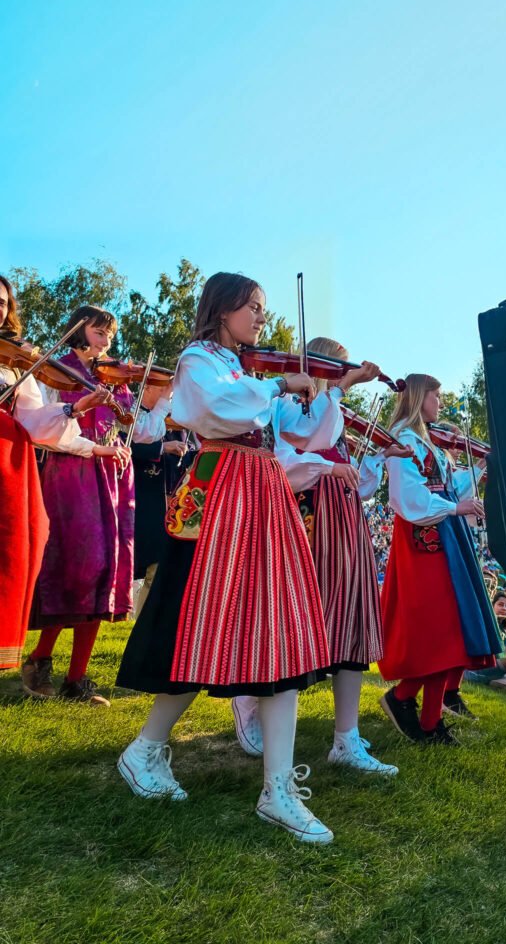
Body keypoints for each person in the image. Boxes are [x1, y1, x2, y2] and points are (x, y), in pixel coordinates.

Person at [116, 272, 335, 845]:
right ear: (224, 306)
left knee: (276, 627)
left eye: (263, 309)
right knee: (195, 623)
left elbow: (304, 434)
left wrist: (328, 389)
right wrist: (280, 384)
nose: (262, 317)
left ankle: (278, 787)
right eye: (254, 307)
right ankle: (147, 749)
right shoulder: (199, 360)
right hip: (220, 495)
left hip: (259, 494)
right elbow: (218, 409)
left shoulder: (244, 370)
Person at [232, 335, 410, 776]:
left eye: (339, 370)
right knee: (299, 618)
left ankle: (345, 739)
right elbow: (296, 455)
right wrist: (341, 387)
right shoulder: (286, 403)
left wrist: (374, 461)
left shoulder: (329, 405)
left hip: (345, 516)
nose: (335, 376)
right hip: (309, 516)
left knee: (351, 617)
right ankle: (251, 698)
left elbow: (361, 486)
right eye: (331, 368)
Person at [22, 306, 167, 705]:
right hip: (74, 470)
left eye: (110, 334)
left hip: (114, 473)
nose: (106, 340)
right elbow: (47, 427)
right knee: (78, 567)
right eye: (99, 331)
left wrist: (147, 397)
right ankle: (39, 659)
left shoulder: (113, 378)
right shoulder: (57, 369)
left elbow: (138, 431)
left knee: (107, 571)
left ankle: (78, 678)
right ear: (79, 329)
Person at [377, 374, 501, 744]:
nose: (440, 402)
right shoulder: (403, 438)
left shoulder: (424, 440)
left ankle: (427, 718)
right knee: (439, 630)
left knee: (449, 631)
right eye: (436, 394)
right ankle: (411, 707)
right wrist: (454, 507)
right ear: (420, 396)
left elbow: (447, 486)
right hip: (423, 539)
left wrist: (479, 469)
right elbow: (407, 498)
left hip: (443, 535)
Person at [0, 278, 114, 673]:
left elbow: (33, 422)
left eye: (2, 303)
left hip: (12, 463)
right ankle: (42, 660)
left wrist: (73, 409)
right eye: (98, 329)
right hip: (61, 475)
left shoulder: (17, 365)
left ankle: (64, 671)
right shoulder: (48, 364)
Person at [131, 384, 192, 619]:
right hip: (141, 496)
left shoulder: (174, 420)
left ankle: (147, 620)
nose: (169, 393)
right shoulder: (132, 412)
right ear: (147, 388)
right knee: (145, 561)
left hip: (168, 498)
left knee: (158, 565)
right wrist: (162, 447)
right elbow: (127, 444)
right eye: (163, 388)